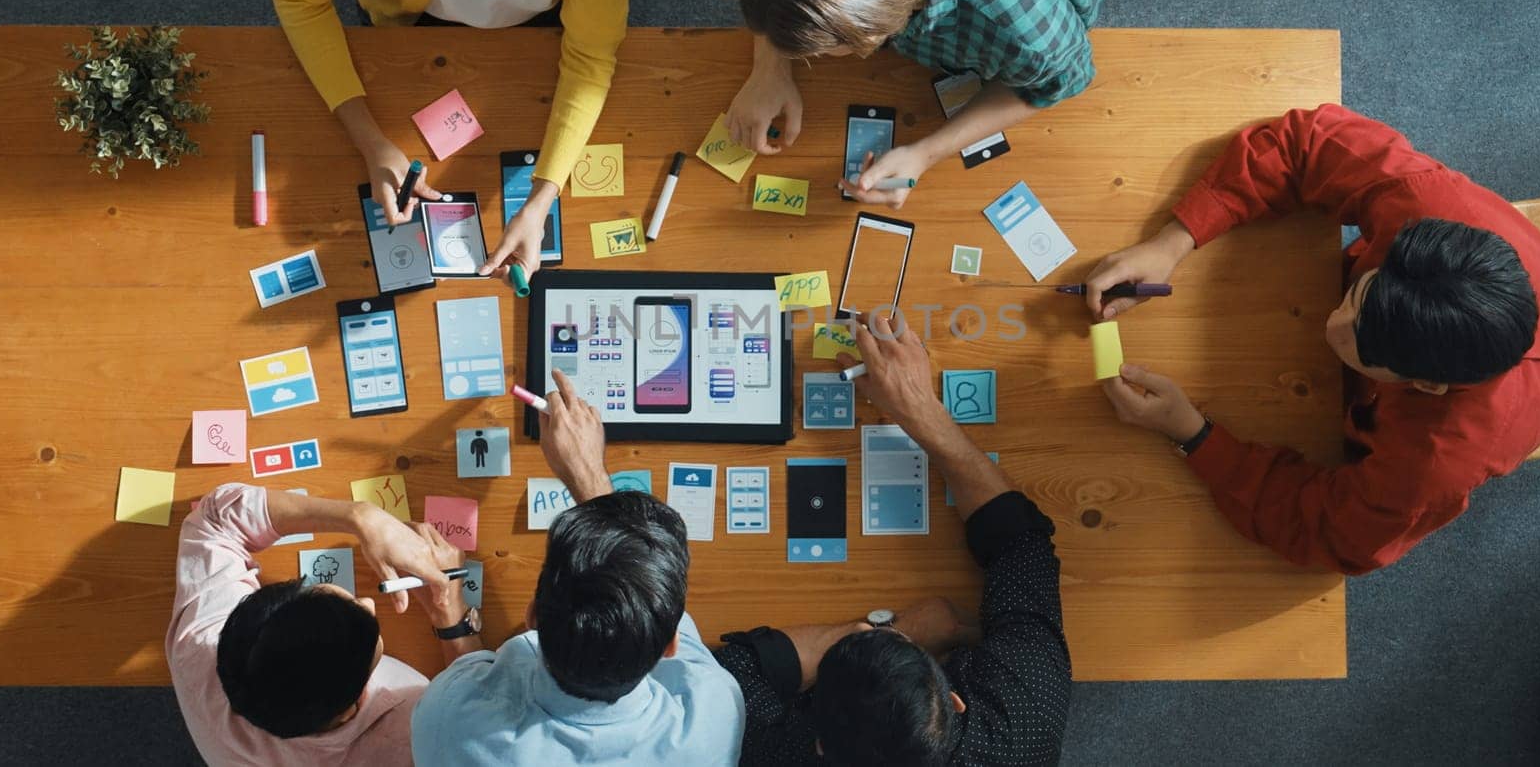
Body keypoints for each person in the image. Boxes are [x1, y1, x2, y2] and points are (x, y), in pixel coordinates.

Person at [1085, 104, 1540, 574]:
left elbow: (1326, 532)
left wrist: (1192, 433)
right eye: (1357, 294)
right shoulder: (1428, 204)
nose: (1331, 325)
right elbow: (1304, 142)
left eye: (1359, 347)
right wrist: (1172, 242)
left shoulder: (1435, 462)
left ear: (1426, 387)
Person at [715, 313, 1071, 766]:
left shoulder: (775, 753)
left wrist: (905, 629)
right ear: (954, 703)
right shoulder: (1023, 722)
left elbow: (735, 671)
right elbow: (1021, 544)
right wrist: (920, 408)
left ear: (820, 746)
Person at [273, 0, 628, 285]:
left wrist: (541, 200)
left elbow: (590, 56)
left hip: (539, 29)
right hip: (406, 27)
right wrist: (370, 141)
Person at [410, 368, 745, 765]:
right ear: (671, 644)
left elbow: (463, 697)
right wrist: (588, 476)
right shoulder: (713, 718)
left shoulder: (448, 721)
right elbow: (637, 582)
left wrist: (451, 617)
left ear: (532, 616)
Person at [727, 0, 1103, 210]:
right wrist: (768, 67)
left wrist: (924, 154)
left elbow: (1053, 85)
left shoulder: (1028, 33)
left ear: (874, 38)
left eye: (820, 51)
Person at [167, 482, 456, 765]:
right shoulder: (417, 745)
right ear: (348, 711)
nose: (368, 603)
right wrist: (453, 619)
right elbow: (484, 727)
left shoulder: (198, 650)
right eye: (366, 636)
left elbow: (216, 518)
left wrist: (362, 517)